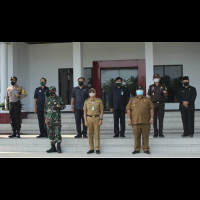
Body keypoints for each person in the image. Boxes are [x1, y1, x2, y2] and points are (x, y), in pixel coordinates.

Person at [126, 86, 154, 154]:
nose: (139, 91)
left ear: (143, 91)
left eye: (140, 90)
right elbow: (128, 109)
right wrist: (129, 119)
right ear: (136, 91)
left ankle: (146, 149)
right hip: (135, 122)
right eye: (138, 90)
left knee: (145, 136)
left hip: (146, 121)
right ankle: (136, 149)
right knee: (136, 136)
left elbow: (151, 108)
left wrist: (152, 118)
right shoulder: (132, 99)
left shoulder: (147, 99)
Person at [45, 86, 66, 153]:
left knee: (57, 133)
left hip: (57, 119)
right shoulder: (47, 99)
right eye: (50, 90)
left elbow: (64, 106)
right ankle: (52, 147)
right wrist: (45, 118)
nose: (51, 92)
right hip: (49, 119)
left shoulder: (59, 99)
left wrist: (60, 106)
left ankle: (58, 147)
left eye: (53, 90)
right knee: (50, 133)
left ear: (55, 91)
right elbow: (45, 110)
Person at [83, 88, 104, 154]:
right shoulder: (86, 101)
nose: (92, 93)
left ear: (95, 93)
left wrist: (101, 119)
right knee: (90, 134)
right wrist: (85, 121)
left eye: (93, 92)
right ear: (89, 94)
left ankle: (97, 148)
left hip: (96, 118)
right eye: (90, 92)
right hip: (89, 118)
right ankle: (91, 148)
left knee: (97, 133)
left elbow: (101, 111)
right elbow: (85, 112)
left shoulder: (99, 101)